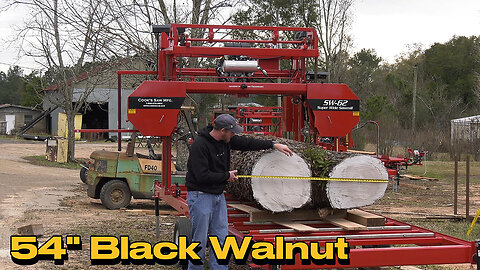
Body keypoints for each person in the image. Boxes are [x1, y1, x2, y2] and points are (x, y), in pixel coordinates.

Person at [185, 114, 293, 270]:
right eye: (232, 132)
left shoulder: (226, 140)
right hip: (200, 195)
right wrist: (226, 176)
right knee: (199, 239)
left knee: (221, 237)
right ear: (223, 130)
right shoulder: (200, 146)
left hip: (217, 195)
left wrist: (273, 144)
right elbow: (201, 175)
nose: (234, 134)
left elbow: (248, 143)